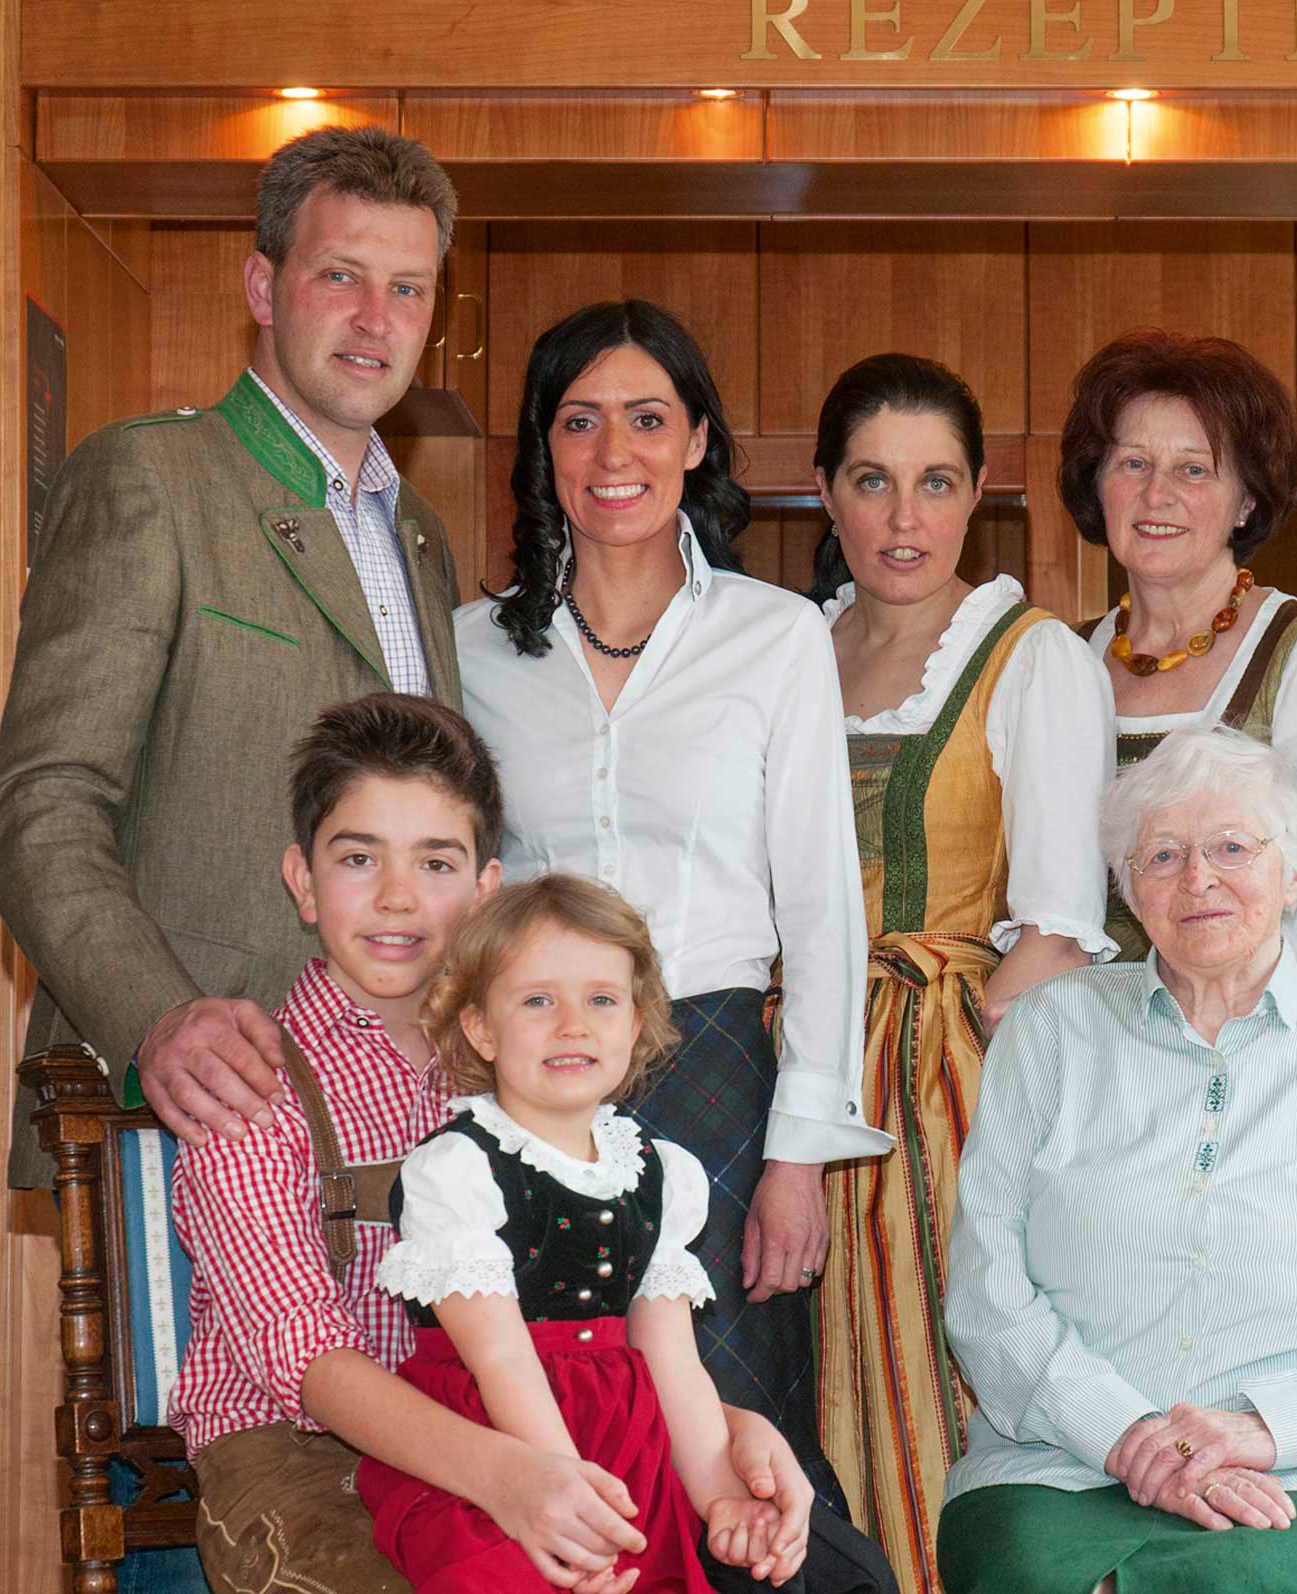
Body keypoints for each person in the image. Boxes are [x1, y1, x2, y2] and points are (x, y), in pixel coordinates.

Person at [168, 694, 827, 1594]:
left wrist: (728, 1431)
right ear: (302, 879)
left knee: (815, 1567)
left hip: (529, 1430)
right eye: (357, 858)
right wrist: (513, 1479)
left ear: (486, 889)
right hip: (304, 1456)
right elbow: (307, 1361)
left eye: (435, 862)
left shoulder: (531, 1073)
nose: (397, 897)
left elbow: (611, 1318)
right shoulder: (251, 1087)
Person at [458, 300, 889, 1508]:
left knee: (733, 1421)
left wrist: (797, 1154)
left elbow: (819, 910)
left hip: (714, 1071)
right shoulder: (471, 649)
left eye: (648, 419)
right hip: (531, 1081)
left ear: (698, 439)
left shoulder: (779, 635)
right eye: (580, 420)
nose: (614, 455)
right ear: (543, 446)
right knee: (560, 1415)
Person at [0, 126, 467, 1191]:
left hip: (392, 1123)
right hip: (207, 1113)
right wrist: (158, 1020)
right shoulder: (152, 478)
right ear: (262, 282)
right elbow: (40, 803)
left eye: (409, 289)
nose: (376, 321)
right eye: (341, 275)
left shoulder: (423, 536)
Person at [937, 726, 1297, 1594]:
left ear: (1292, 874)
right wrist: (1123, 1433)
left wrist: (1267, 1430)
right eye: (1163, 856)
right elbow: (986, 1288)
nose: (1199, 879)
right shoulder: (1048, 1035)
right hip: (1066, 1464)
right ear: (1129, 889)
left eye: (1233, 847)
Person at [361, 874, 897, 1593]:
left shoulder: (658, 1172)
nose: (572, 1024)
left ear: (637, 1025)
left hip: (631, 1439)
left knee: (816, 1571)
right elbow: (500, 1360)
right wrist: (568, 1502)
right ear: (481, 1028)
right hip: (503, 1446)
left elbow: (673, 1363)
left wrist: (717, 1495)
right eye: (537, 1000)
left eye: (602, 1000)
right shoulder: (458, 1168)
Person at [806, 353, 1117, 1590]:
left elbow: (1051, 933)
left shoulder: (1031, 655)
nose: (904, 517)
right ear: (826, 493)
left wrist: (965, 1122)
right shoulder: (792, 648)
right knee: (814, 1401)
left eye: (936, 483)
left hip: (946, 1079)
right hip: (795, 1062)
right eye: (873, 481)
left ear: (979, 489)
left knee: (950, 1383)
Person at [1057, 331, 1297, 988]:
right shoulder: (1057, 663)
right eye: (1133, 464)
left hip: (1251, 1055)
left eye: (1194, 469)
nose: (1158, 496)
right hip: (1082, 1046)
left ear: (1248, 499)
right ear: (1098, 484)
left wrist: (1197, 1034)